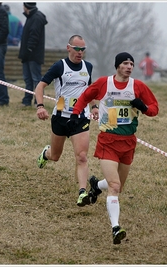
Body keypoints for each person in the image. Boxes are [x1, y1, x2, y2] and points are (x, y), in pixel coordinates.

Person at [67, 52, 159, 244]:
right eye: (125, 63)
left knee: (117, 186)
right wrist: (76, 113)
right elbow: (85, 97)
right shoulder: (103, 83)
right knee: (115, 186)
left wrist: (142, 107)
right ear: (117, 66)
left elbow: (154, 109)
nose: (129, 66)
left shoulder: (138, 86)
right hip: (107, 141)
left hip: (128, 143)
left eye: (132, 64)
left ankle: (96, 186)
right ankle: (116, 227)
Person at [35, 35, 98, 207]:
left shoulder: (88, 67)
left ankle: (82, 192)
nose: (80, 53)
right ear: (68, 48)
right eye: (77, 49)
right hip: (61, 116)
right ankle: (45, 153)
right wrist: (40, 106)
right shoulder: (59, 66)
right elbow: (40, 86)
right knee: (55, 156)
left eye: (83, 49)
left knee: (82, 156)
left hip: (80, 118)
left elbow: (89, 89)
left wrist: (94, 106)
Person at [19, 2, 47, 107]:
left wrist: (29, 49)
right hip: (27, 54)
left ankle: (38, 101)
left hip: (33, 55)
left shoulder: (36, 18)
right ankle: (27, 100)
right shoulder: (31, 17)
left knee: (36, 78)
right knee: (28, 79)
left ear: (27, 7)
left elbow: (34, 35)